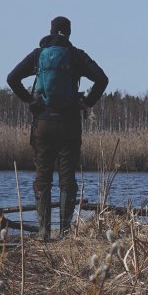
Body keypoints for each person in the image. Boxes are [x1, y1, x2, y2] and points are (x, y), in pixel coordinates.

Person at [7, 16, 108, 240]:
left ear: (51, 31)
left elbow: (12, 78)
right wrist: (88, 102)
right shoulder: (76, 55)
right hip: (70, 124)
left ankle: (43, 232)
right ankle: (63, 233)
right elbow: (102, 79)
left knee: (43, 177)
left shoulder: (38, 55)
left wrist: (29, 100)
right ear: (69, 33)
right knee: (67, 179)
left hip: (42, 124)